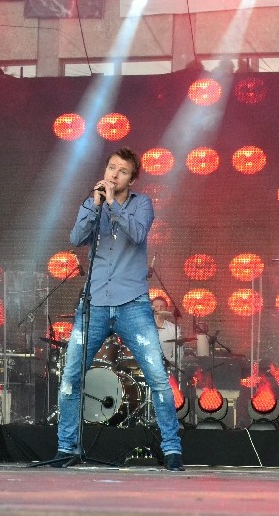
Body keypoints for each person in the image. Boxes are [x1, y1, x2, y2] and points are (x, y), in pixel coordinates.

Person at [52, 148, 184, 471]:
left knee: (157, 377)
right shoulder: (93, 203)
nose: (114, 174)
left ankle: (172, 448)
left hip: (132, 304)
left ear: (132, 179)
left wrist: (112, 204)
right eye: (111, 167)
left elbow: (137, 234)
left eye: (122, 171)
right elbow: (76, 237)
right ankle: (66, 447)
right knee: (71, 376)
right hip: (94, 303)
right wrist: (96, 205)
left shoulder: (142, 204)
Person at [152, 296, 181, 368]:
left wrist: (172, 364)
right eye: (156, 306)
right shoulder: (143, 327)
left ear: (166, 309)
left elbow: (178, 351)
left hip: (167, 366)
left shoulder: (174, 328)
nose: (159, 309)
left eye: (162, 306)